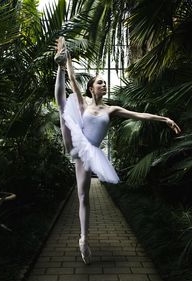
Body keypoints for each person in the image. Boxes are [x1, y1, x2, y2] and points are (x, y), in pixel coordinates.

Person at [54, 37, 181, 265]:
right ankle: (83, 240)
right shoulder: (83, 104)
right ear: (92, 88)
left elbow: (139, 115)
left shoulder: (112, 109)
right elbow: (73, 78)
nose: (104, 85)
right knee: (82, 195)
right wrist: (67, 56)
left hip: (93, 150)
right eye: (100, 82)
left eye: (105, 82)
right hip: (80, 146)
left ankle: (84, 238)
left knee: (86, 197)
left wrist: (165, 119)